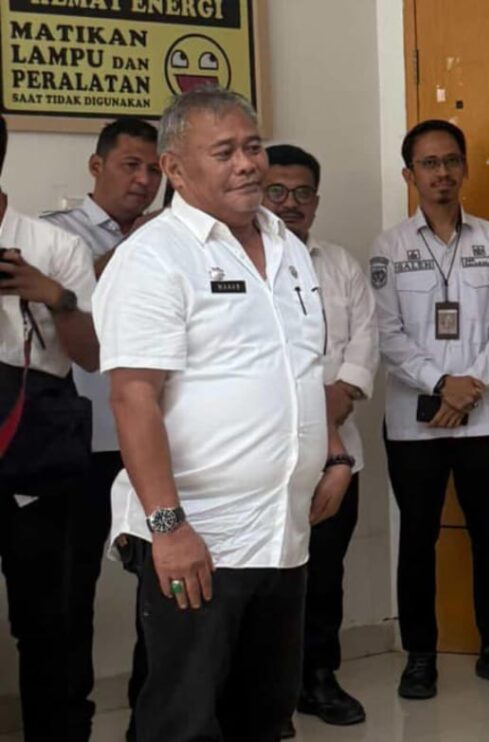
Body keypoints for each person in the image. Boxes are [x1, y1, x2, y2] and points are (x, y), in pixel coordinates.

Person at [93, 87, 351, 741]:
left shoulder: (289, 248)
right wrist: (169, 528)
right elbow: (133, 397)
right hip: (197, 540)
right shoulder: (155, 256)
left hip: (283, 534)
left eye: (253, 147)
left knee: (263, 717)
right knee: (182, 721)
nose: (246, 164)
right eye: (225, 151)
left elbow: (300, 370)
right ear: (175, 169)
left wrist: (336, 452)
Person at [371, 119, 489, 699]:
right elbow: (386, 333)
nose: (442, 173)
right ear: (409, 175)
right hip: (414, 422)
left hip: (482, 417)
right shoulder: (389, 248)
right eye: (429, 164)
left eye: (451, 161)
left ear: (464, 168)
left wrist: (470, 387)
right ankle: (420, 656)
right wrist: (442, 383)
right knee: (418, 540)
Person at [41, 116, 162, 740]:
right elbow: (57, 311)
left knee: (162, 590)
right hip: (79, 443)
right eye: (130, 166)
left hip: (152, 441)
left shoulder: (171, 238)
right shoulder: (54, 233)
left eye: (154, 169)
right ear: (97, 166)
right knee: (69, 595)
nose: (143, 181)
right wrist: (123, 254)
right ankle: (70, 722)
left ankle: (153, 715)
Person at [263, 144, 379, 736]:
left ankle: (318, 677)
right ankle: (267, 693)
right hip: (265, 454)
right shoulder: (240, 264)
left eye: (302, 193)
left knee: (325, 571)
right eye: (277, 192)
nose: (290, 204)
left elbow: (365, 338)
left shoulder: (338, 264)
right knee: (266, 576)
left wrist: (340, 394)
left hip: (338, 451)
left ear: (316, 199)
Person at [0, 113, 101, 741]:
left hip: (35, 451)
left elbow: (92, 355)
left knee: (45, 619)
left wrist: (53, 295)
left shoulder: (53, 246)